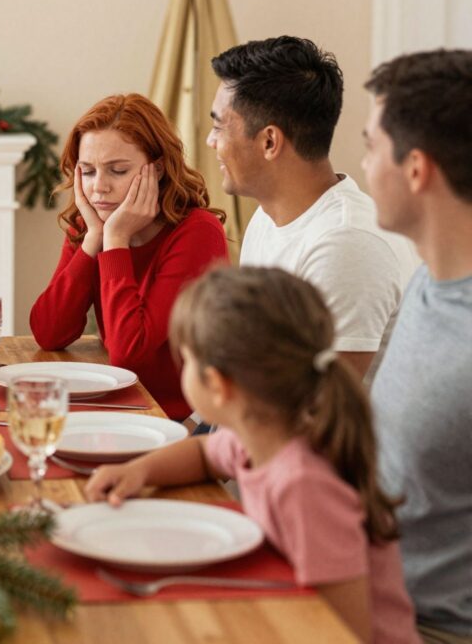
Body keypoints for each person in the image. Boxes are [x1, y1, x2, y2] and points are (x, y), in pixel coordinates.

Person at [85, 266, 418, 644]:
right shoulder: (260, 438)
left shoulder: (305, 484)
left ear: (217, 385)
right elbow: (204, 454)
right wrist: (139, 471)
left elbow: (346, 631)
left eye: (187, 361)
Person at [208, 36, 418, 378]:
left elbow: (316, 414)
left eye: (219, 126)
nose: (210, 140)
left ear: (269, 142)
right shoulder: (267, 216)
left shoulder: (347, 244)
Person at [361, 49, 472, 644]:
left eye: (371, 146)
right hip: (361, 594)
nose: (362, 165)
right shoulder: (430, 277)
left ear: (416, 169)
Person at [29, 93, 228, 420]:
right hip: (115, 407)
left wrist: (116, 239)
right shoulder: (91, 224)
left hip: (178, 420)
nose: (99, 188)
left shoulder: (197, 233)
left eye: (117, 171)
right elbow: (49, 332)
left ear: (158, 169)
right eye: (88, 171)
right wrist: (93, 239)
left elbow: (129, 354)